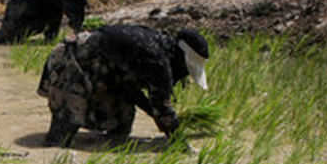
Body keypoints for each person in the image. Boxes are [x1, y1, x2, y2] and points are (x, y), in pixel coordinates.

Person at [37, 24, 209, 147]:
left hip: (103, 73)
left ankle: (99, 150)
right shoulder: (158, 61)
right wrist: (179, 141)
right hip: (71, 62)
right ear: (182, 59)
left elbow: (130, 89)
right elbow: (162, 108)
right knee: (63, 135)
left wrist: (155, 114)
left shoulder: (159, 50)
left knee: (122, 122)